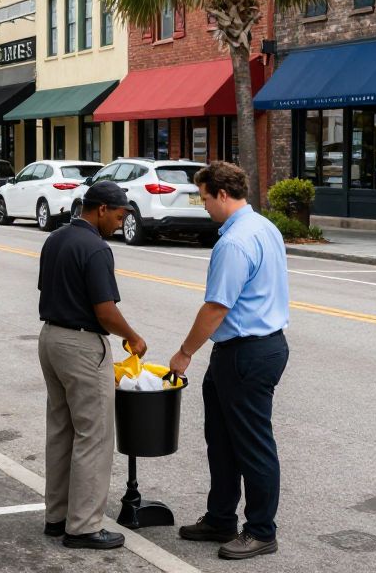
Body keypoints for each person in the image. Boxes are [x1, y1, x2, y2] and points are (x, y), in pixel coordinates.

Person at [169, 161, 290, 561]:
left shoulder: (234, 242)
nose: (202, 206)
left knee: (253, 445)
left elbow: (216, 308)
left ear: (222, 194)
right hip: (249, 349)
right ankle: (220, 518)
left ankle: (260, 531)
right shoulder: (264, 227)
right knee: (220, 442)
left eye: (204, 198)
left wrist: (185, 352)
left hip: (247, 352)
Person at [37, 180, 147, 551]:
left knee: (62, 430)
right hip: (82, 345)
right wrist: (133, 337)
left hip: (50, 338)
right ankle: (82, 527)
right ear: (101, 209)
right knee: (94, 434)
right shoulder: (97, 249)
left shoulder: (56, 239)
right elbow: (105, 310)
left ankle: (57, 516)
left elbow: (48, 290)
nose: (120, 222)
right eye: (118, 215)